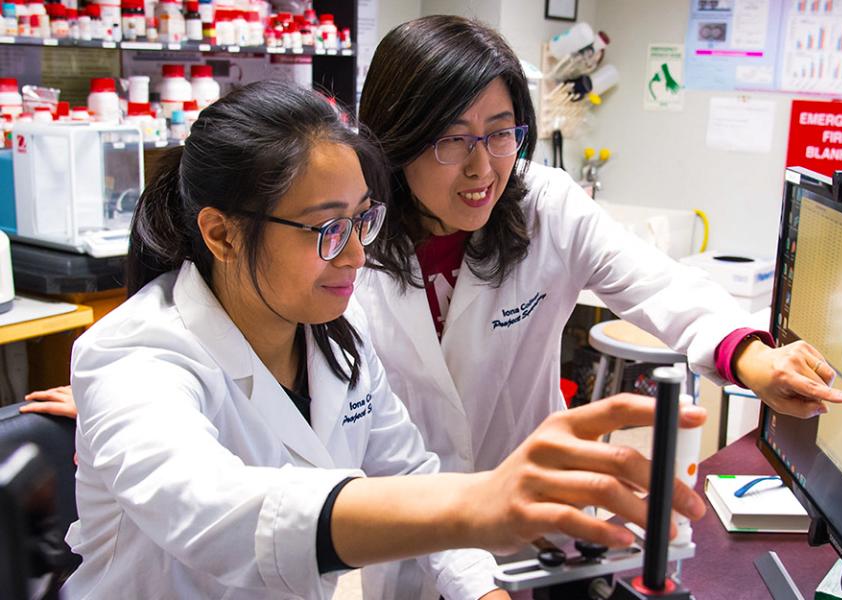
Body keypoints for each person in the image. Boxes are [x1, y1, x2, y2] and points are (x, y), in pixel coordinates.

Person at [58, 81, 708, 600]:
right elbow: (214, 517)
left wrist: (482, 588)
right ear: (223, 235)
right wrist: (480, 501)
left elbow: (411, 477)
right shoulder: (134, 354)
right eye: (326, 230)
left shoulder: (335, 344)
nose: (358, 255)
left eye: (364, 219)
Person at [354, 15, 842, 597]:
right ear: (397, 139)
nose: (482, 167)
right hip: (412, 541)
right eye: (452, 139)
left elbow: (658, 284)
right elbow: (390, 459)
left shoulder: (546, 208)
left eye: (499, 132)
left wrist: (748, 355)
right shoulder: (349, 258)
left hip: (537, 534)